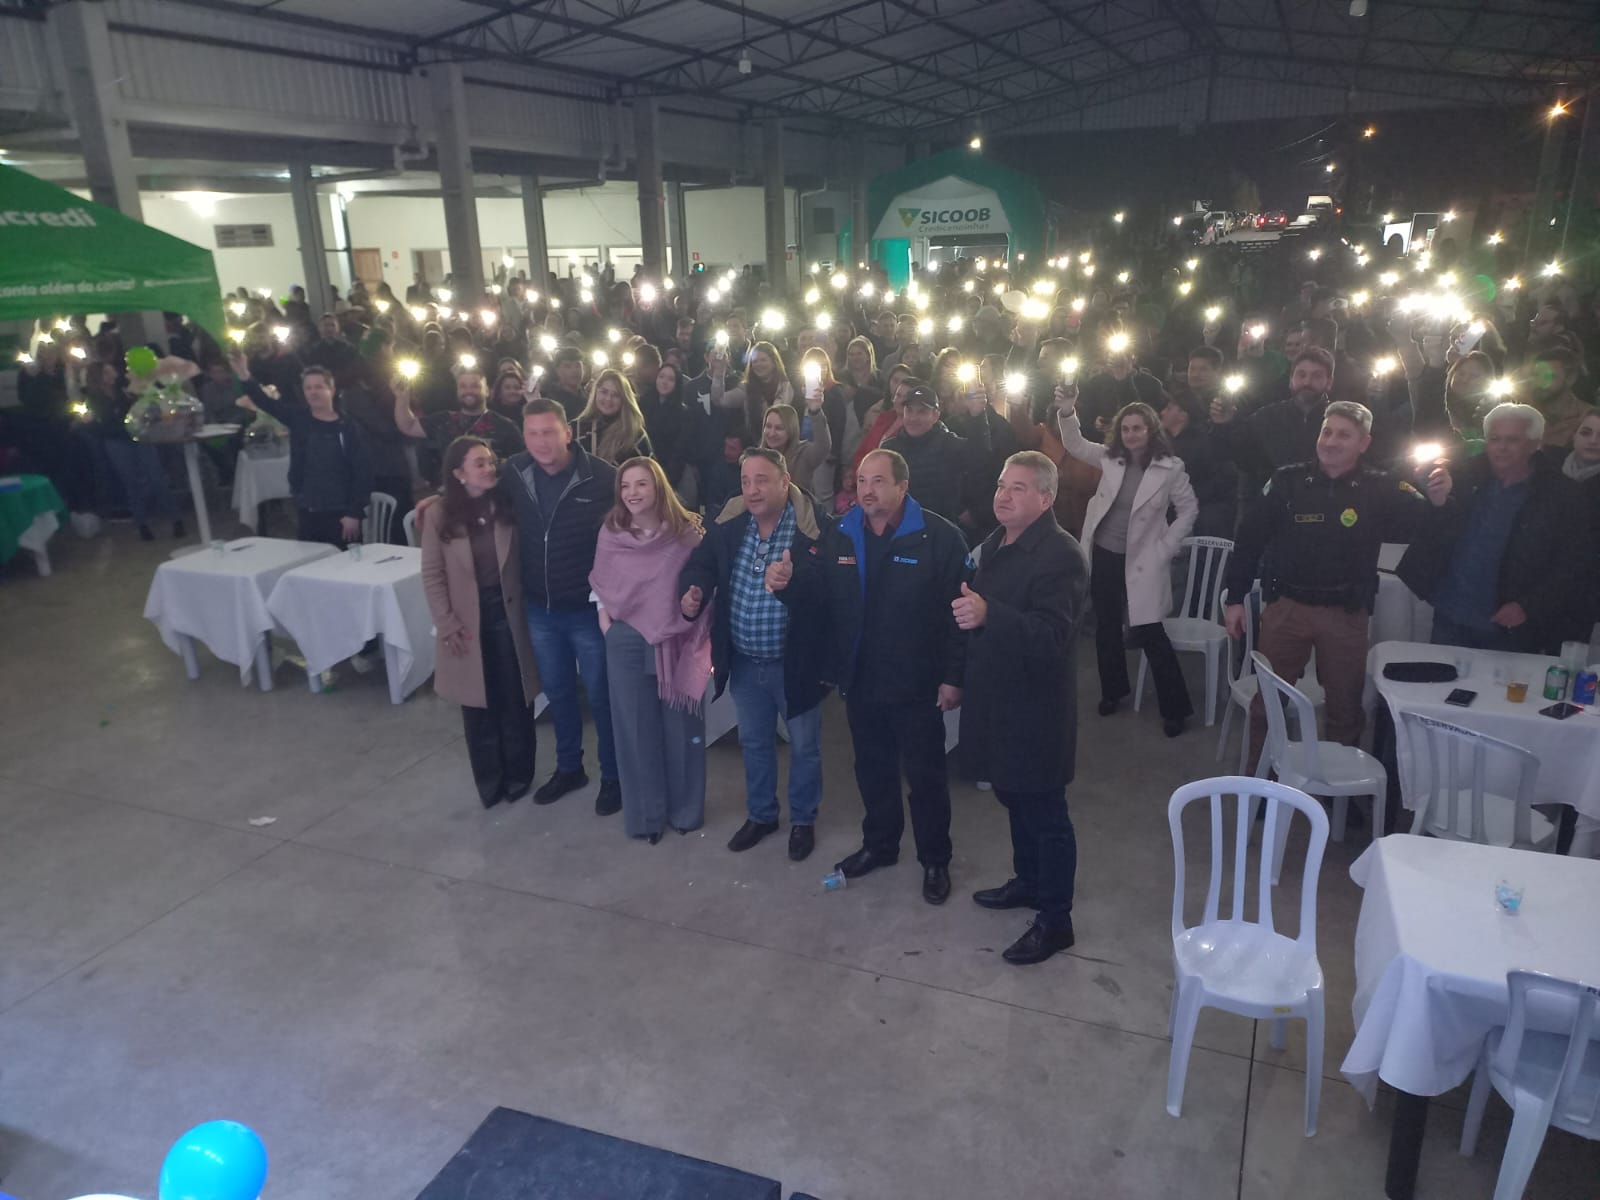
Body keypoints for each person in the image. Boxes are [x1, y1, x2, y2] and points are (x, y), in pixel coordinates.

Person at [772, 448, 969, 903]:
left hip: (917, 682)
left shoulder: (940, 538)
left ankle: (935, 859)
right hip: (861, 679)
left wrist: (953, 677)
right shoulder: (842, 533)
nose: (867, 490)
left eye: (878, 481)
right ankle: (880, 845)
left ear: (903, 486)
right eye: (862, 481)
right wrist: (788, 583)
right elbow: (817, 594)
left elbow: (958, 617)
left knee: (924, 777)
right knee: (873, 769)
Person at [1223, 401, 1451, 770]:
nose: (1330, 441)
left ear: (1364, 443)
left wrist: (1439, 503)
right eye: (1326, 432)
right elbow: (1249, 538)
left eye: (1344, 435)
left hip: (1346, 615)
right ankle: (1259, 781)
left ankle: (1337, 789)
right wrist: (1235, 597)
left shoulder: (1382, 486)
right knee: (1268, 705)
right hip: (1287, 609)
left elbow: (1426, 527)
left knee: (1345, 710)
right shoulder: (1287, 480)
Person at [957, 451, 1089, 965]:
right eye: (1001, 485)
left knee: (1045, 809)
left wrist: (990, 613)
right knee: (1012, 793)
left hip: (1037, 707)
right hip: (998, 697)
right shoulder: (997, 542)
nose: (1003, 496)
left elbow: (1051, 636)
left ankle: (1056, 920)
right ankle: (1029, 880)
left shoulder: (1060, 556)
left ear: (1046, 498)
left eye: (1018, 488)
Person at [678, 447, 830, 858]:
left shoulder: (814, 530)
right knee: (755, 743)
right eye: (746, 481)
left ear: (785, 482)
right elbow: (700, 565)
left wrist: (794, 582)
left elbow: (829, 591)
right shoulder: (730, 525)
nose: (752, 490)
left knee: (805, 747)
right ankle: (762, 814)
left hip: (796, 663)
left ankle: (803, 820)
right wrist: (693, 590)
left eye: (762, 480)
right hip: (744, 661)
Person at [498, 396, 621, 814]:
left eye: (549, 432)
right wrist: (438, 502)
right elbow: (474, 491)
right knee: (559, 695)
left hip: (589, 610)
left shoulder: (602, 477)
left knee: (603, 698)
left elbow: (638, 515)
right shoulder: (515, 471)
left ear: (568, 432)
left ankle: (614, 776)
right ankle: (570, 768)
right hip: (541, 609)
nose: (541, 441)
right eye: (532, 433)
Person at [1058, 397, 1198, 736]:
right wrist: (1067, 411)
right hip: (1105, 551)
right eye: (1125, 429)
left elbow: (1189, 509)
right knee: (1106, 625)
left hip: (1143, 558)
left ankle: (1175, 709)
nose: (1131, 434)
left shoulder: (1170, 468)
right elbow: (1075, 444)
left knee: (1150, 630)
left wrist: (1166, 547)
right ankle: (1113, 691)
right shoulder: (1110, 457)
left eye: (1138, 428)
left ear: (1151, 430)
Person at [590, 457, 714, 842]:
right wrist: (606, 622)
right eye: (625, 486)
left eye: (641, 484)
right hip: (626, 638)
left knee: (682, 728)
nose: (632, 493)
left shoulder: (686, 533)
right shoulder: (611, 533)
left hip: (676, 639)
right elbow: (601, 582)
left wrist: (693, 607)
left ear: (658, 486)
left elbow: (705, 581)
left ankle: (685, 812)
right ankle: (646, 817)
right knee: (634, 729)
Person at [1397, 403, 1585, 654]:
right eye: (1495, 439)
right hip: (1452, 611)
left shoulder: (1561, 495)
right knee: (1441, 678)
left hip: (1510, 623)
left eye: (1513, 440)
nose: (1502, 447)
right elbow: (1434, 531)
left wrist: (1528, 606)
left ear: (1535, 444)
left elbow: (1570, 564)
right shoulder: (1463, 476)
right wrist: (1439, 503)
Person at [419, 437, 541, 808]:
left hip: (509, 615)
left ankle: (519, 775)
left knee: (515, 699)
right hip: (466, 620)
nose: (489, 469)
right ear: (459, 474)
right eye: (479, 464)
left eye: (490, 461)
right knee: (478, 704)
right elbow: (432, 573)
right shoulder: (440, 514)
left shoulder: (507, 504)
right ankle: (490, 780)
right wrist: (446, 623)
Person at [230, 353, 371, 547]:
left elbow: (363, 472)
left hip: (341, 514)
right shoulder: (298, 418)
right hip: (308, 511)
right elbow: (265, 402)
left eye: (319, 387)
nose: (313, 392)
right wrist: (243, 374)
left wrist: (354, 513)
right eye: (308, 388)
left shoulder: (348, 427)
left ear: (331, 390)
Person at [1210, 348, 1336, 499]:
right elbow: (1238, 457)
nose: (1307, 382)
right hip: (1274, 503)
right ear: (1291, 379)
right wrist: (1224, 425)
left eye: (1316, 376)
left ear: (1329, 382)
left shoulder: (1340, 421)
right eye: (1301, 375)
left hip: (1327, 501)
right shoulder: (1266, 417)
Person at [84, 359, 183, 541]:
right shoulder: (95, 399)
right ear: (100, 377)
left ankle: (175, 518)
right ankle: (142, 524)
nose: (113, 374)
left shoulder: (123, 390)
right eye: (108, 372)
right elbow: (101, 424)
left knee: (157, 477)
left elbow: (137, 408)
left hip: (138, 436)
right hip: (117, 441)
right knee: (131, 483)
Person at [882, 383, 990, 530]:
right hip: (899, 528)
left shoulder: (949, 445)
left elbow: (979, 456)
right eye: (909, 410)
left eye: (922, 412)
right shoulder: (889, 449)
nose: (913, 418)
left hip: (941, 530)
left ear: (935, 415)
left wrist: (977, 417)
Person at [392, 367, 523, 483]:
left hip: (494, 494)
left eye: (475, 386)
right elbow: (408, 426)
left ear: (487, 391)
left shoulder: (505, 426)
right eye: (463, 386)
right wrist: (402, 397)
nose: (468, 391)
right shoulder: (443, 420)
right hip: (452, 493)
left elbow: (522, 462)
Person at [573, 368, 652, 465]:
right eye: (604, 392)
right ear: (596, 392)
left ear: (624, 400)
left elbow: (649, 470)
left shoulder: (636, 436)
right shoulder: (577, 428)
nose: (608, 399)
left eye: (616, 395)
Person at [1527, 347, 1594, 451]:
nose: (1540, 383)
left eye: (1548, 376)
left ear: (1570, 378)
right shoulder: (1525, 416)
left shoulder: (1589, 417)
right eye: (1536, 376)